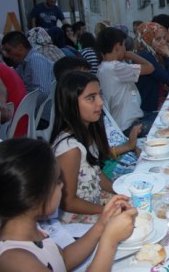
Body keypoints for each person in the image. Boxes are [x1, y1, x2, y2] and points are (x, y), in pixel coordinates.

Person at [0, 138, 137, 272]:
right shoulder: (15, 261)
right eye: (57, 181)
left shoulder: (30, 230)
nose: (62, 186)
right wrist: (109, 240)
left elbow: (62, 260)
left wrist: (101, 224)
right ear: (36, 196)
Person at [50, 71, 114, 224]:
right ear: (70, 103)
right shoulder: (70, 149)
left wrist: (121, 192)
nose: (100, 102)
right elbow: (68, 202)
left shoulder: (87, 132)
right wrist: (106, 210)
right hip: (76, 219)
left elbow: (96, 173)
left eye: (100, 95)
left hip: (94, 200)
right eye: (91, 98)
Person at [97, 27, 154, 137]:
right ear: (118, 46)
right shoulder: (116, 67)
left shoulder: (103, 68)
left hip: (124, 122)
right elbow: (150, 68)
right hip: (128, 126)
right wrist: (131, 55)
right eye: (123, 45)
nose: (124, 49)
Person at [1, 31, 55, 129]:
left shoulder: (35, 60)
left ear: (20, 47)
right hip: (36, 114)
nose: (7, 55)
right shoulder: (24, 63)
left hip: (42, 117)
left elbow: (43, 92)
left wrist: (24, 108)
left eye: (9, 50)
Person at [135, 22, 169, 115]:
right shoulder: (144, 56)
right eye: (158, 39)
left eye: (164, 38)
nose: (163, 42)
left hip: (159, 101)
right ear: (147, 39)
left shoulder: (155, 54)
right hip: (149, 110)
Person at [0, 61, 27, 136]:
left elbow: (0, 87)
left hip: (8, 129)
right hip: (21, 124)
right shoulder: (0, 66)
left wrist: (2, 104)